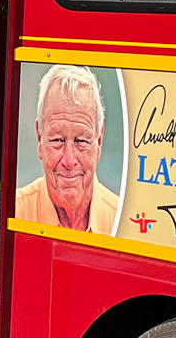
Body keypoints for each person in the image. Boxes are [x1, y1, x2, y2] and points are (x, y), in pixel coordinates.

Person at [13, 64, 118, 234]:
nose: (69, 161)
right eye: (57, 140)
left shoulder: (122, 222)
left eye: (81, 140)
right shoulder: (14, 213)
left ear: (99, 142)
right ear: (40, 139)